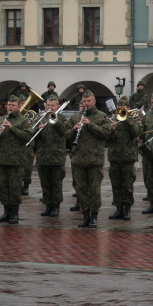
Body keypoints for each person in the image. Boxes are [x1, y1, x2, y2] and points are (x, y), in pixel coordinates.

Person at [68, 90, 111, 228]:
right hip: (78, 159)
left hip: (94, 159)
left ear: (94, 102)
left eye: (88, 101)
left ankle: (94, 216)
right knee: (81, 189)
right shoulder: (75, 117)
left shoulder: (101, 116)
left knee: (94, 189)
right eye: (84, 101)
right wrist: (73, 130)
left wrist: (90, 125)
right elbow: (65, 135)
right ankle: (85, 214)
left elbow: (106, 134)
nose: (86, 104)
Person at [0, 95, 33, 224]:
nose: (10, 107)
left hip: (16, 159)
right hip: (2, 158)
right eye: (9, 105)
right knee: (3, 187)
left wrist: (12, 128)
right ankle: (6, 212)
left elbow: (26, 136)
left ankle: (14, 213)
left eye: (13, 105)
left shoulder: (23, 120)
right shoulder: (0, 120)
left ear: (18, 106)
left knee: (14, 187)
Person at [33, 93, 68, 217]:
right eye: (48, 105)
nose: (50, 107)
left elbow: (65, 132)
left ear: (58, 105)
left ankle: (56, 206)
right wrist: (38, 128)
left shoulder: (62, 118)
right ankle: (48, 205)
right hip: (43, 157)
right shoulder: (41, 118)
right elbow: (32, 136)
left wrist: (54, 121)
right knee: (45, 184)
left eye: (53, 105)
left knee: (56, 184)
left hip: (56, 157)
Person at [107, 95, 140, 220]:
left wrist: (127, 119)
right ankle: (118, 208)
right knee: (116, 185)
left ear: (128, 108)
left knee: (127, 185)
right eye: (120, 107)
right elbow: (106, 139)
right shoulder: (113, 120)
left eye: (124, 107)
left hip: (128, 158)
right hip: (114, 158)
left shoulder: (133, 120)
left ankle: (127, 209)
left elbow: (137, 133)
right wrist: (111, 130)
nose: (121, 110)